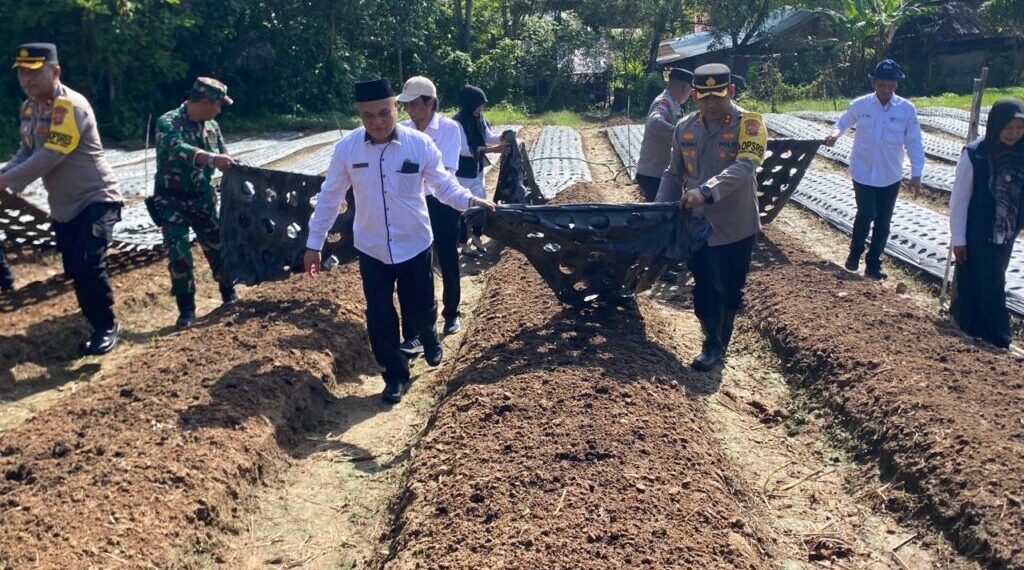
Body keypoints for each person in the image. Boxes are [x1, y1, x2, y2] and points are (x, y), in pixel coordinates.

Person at [303, 78, 495, 404]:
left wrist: (471, 201)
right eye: (368, 116)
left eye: (383, 113)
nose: (376, 122)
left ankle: (428, 333)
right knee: (379, 316)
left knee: (419, 307)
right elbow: (329, 197)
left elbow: (444, 186)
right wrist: (314, 243)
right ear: (359, 115)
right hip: (372, 246)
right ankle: (395, 375)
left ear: (395, 108)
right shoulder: (347, 149)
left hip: (415, 241)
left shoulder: (419, 145)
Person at [0, 43, 123, 354]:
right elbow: (27, 152)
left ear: (55, 71)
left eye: (34, 72)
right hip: (64, 207)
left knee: (89, 263)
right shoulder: (29, 108)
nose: (27, 80)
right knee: (75, 269)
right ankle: (96, 322)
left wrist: (4, 181)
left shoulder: (70, 106)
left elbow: (52, 154)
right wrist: (3, 174)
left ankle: (106, 325)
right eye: (22, 74)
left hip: (96, 197)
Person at [656, 63, 767, 371]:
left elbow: (746, 165)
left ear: (730, 92)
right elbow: (673, 173)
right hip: (699, 225)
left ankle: (723, 337)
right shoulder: (685, 128)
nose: (711, 103)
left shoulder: (750, 124)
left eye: (718, 96)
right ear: (694, 96)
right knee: (705, 285)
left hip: (737, 223)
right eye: (704, 98)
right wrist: (656, 211)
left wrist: (705, 191)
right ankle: (711, 343)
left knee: (732, 288)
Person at [148, 77, 238, 329]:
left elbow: (224, 157)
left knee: (217, 247)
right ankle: (186, 309)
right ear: (206, 102)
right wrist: (211, 159)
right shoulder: (168, 122)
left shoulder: (212, 127)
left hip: (203, 198)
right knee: (179, 254)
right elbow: (178, 149)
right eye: (218, 105)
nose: (219, 111)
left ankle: (228, 292)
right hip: (171, 200)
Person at [824, 59, 925, 280]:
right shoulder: (860, 105)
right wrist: (834, 134)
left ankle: (873, 264)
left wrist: (916, 173)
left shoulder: (906, 110)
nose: (886, 90)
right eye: (882, 85)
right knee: (866, 212)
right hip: (863, 171)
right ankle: (854, 253)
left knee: (883, 220)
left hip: (890, 174)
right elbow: (843, 122)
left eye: (891, 86)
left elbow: (914, 142)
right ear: (873, 83)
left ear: (896, 85)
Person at [396, 76, 465, 359]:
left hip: (440, 203)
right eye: (406, 105)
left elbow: (445, 172)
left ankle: (450, 312)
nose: (409, 110)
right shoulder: (402, 130)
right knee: (410, 264)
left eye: (414, 104)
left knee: (447, 257)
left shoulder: (449, 129)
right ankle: (412, 331)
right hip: (412, 205)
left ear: (430, 103)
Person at [950, 99, 1024, 349]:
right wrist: (958, 239)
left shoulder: (1021, 153)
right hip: (979, 230)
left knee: (988, 277)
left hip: (1007, 229)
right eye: (1008, 128)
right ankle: (998, 336)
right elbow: (959, 200)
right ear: (995, 126)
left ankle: (968, 324)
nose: (1013, 134)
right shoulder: (976, 154)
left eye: (1019, 128)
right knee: (990, 281)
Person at [453, 85, 505, 258]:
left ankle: (476, 237)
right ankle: (463, 244)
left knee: (481, 205)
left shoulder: (480, 119)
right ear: (470, 104)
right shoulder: (457, 122)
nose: (481, 109)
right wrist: (491, 150)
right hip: (463, 173)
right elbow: (462, 149)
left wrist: (503, 138)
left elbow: (489, 137)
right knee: (463, 208)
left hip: (477, 170)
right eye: (479, 105)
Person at [636, 67, 693, 202]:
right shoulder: (664, 102)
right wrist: (680, 135)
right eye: (690, 91)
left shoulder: (674, 103)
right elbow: (654, 122)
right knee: (658, 215)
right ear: (685, 89)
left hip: (659, 172)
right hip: (654, 173)